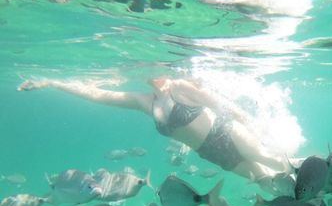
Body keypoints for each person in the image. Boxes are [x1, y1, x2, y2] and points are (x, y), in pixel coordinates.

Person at [18, 76, 290, 181]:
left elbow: (221, 105)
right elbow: (97, 94)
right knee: (265, 182)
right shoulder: (143, 102)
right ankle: (307, 202)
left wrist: (250, 123)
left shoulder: (181, 87)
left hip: (226, 131)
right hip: (209, 152)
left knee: (265, 159)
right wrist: (53, 82)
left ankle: (311, 173)